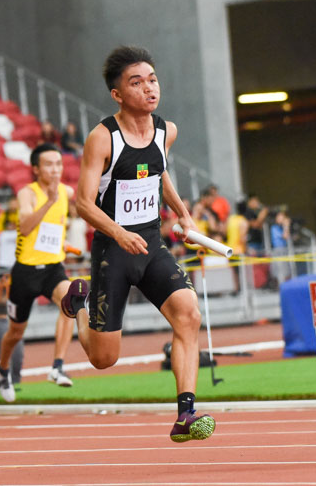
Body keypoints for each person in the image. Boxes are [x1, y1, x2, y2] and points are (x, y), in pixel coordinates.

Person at [62, 46, 215, 443]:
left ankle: (185, 413)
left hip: (151, 244)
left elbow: (158, 175)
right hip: (114, 251)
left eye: (152, 79)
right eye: (137, 82)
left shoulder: (167, 130)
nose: (149, 88)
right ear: (117, 94)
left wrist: (182, 213)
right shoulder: (102, 138)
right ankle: (79, 306)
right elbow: (82, 203)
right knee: (103, 358)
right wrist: (117, 231)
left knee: (188, 313)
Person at [0, 142, 76, 403]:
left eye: (59, 164)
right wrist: (50, 201)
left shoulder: (67, 191)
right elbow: (27, 227)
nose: (55, 169)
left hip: (53, 268)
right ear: (36, 169)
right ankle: (3, 367)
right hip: (25, 273)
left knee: (71, 302)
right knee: (16, 332)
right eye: (49, 164)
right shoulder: (27, 194)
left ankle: (57, 366)